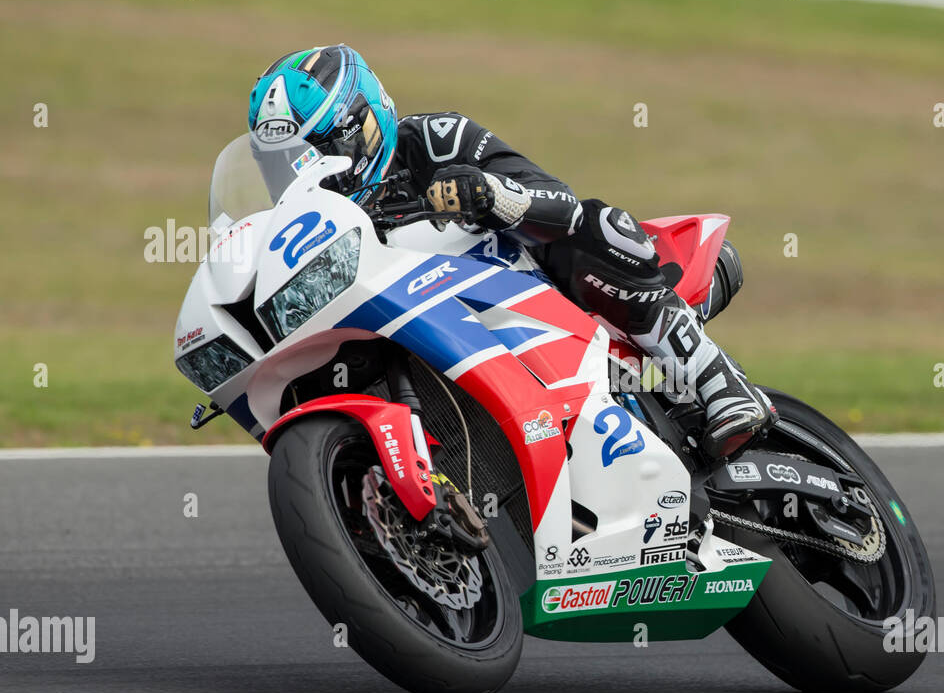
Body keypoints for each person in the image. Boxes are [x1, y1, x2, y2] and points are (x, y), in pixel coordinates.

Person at [248, 44, 770, 456]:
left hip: (540, 296)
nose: (300, 175)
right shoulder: (312, 229)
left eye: (315, 153)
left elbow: (556, 199)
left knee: (596, 225)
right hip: (438, 331)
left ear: (360, 126)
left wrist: (490, 193)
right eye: (281, 163)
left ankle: (717, 379)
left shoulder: (433, 138)